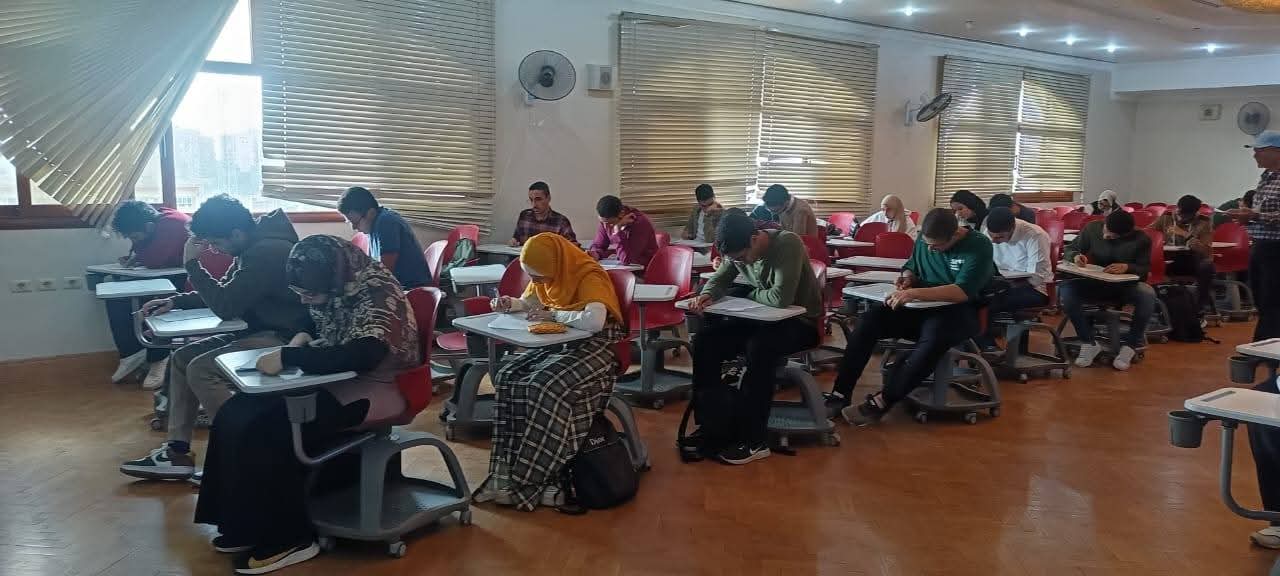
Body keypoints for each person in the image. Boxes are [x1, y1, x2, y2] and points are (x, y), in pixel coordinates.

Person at [194, 235, 420, 574]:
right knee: (235, 412)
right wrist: (302, 335)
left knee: (269, 427)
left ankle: (291, 538)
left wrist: (290, 356)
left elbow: (363, 355)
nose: (304, 299)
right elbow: (314, 316)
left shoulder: (377, 293)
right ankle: (242, 523)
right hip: (335, 377)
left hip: (376, 387)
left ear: (332, 278)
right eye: (299, 293)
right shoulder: (337, 278)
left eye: (309, 294)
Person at [120, 196, 312, 480]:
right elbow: (229, 292)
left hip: (286, 338)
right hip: (259, 331)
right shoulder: (253, 245)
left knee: (202, 369)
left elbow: (226, 305)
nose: (215, 249)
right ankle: (177, 453)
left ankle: (248, 450)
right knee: (182, 357)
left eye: (216, 243)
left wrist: (192, 265)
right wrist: (177, 301)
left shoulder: (267, 252)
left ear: (236, 233)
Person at [473, 233, 626, 510]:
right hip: (564, 341)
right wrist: (510, 303)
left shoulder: (588, 275)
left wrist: (554, 314)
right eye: (532, 276)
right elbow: (532, 302)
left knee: (543, 385)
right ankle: (507, 471)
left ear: (554, 264)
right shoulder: (549, 274)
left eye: (539, 276)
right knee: (508, 376)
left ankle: (535, 478)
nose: (537, 281)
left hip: (599, 346)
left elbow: (594, 322)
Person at [826, 208, 994, 426]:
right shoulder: (925, 240)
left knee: (933, 338)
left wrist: (913, 293)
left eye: (937, 246)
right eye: (927, 244)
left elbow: (961, 291)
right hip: (920, 306)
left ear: (955, 235)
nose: (930, 249)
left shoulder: (978, 245)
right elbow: (911, 266)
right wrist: (907, 278)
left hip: (958, 311)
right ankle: (840, 393)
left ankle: (884, 400)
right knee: (869, 320)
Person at [684, 212, 824, 464]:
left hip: (802, 323)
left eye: (741, 258)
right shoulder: (737, 250)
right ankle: (711, 425)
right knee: (706, 341)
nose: (739, 263)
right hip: (761, 319)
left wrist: (745, 293)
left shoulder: (787, 243)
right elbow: (720, 278)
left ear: (754, 239)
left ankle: (754, 440)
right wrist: (708, 294)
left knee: (759, 348)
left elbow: (780, 299)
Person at [105, 201, 191, 386]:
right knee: (116, 297)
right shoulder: (155, 224)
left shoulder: (173, 224)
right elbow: (149, 255)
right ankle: (131, 353)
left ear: (149, 226)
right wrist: (135, 257)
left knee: (154, 298)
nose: (134, 242)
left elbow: (154, 260)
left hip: (190, 280)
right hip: (170, 275)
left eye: (135, 237)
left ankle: (159, 357)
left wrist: (138, 256)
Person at [1059, 210, 1154, 371]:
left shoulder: (1142, 239)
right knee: (1066, 290)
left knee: (1148, 294)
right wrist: (1075, 256)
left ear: (1127, 233)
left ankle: (1130, 346)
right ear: (1104, 223)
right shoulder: (1092, 228)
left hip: (1125, 287)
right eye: (1106, 231)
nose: (1106, 236)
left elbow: (1144, 269)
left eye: (1113, 236)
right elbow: (1070, 249)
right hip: (1095, 281)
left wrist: (1128, 267)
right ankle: (1088, 342)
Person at [1230, 130, 1280, 342]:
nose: (1255, 155)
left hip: (1277, 247)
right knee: (1260, 298)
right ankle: (1264, 344)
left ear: (1276, 151)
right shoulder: (1266, 178)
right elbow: (1261, 212)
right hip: (1260, 245)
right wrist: (1247, 218)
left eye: (1259, 150)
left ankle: (1266, 346)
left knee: (1273, 299)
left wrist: (1255, 215)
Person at [979, 207, 1053, 350]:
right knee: (971, 299)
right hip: (1001, 283)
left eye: (999, 237)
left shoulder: (1035, 235)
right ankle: (982, 347)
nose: (994, 241)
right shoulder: (988, 233)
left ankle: (988, 348)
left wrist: (1008, 285)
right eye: (991, 236)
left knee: (986, 302)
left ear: (1012, 228)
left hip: (1034, 288)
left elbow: (1038, 276)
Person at [338, 186, 430, 289]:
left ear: (371, 213)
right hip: (396, 284)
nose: (354, 227)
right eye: (350, 222)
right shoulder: (373, 225)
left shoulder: (386, 222)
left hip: (411, 288)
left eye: (355, 222)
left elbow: (384, 273)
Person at [1150, 194, 1216, 315]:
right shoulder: (1166, 217)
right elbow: (1149, 233)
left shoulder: (1203, 222)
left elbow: (1206, 251)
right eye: (1180, 213)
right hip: (1168, 259)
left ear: (1195, 213)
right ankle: (1158, 307)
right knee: (1149, 263)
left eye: (1186, 216)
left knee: (1207, 266)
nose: (1181, 218)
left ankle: (1200, 306)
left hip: (1191, 260)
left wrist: (1185, 234)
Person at [588, 195, 658, 266]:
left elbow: (627, 259)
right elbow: (598, 245)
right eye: (603, 222)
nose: (606, 227)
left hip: (644, 268)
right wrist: (595, 253)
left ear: (621, 214)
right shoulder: (607, 221)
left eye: (610, 223)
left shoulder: (640, 223)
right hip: (623, 266)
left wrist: (617, 231)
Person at [510, 180, 577, 246]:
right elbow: (516, 238)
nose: (533, 205)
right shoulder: (524, 216)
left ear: (548, 198)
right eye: (531, 200)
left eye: (538, 199)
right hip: (524, 253)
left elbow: (573, 246)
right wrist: (514, 241)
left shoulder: (561, 221)